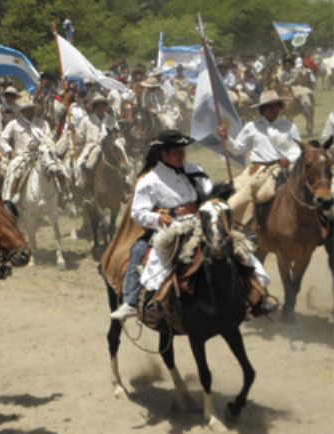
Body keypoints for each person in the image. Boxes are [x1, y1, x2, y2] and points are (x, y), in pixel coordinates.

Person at [110, 130, 272, 321]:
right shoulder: (149, 181)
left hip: (202, 220)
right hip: (171, 229)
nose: (182, 155)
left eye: (183, 151)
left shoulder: (195, 171)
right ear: (164, 154)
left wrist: (217, 198)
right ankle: (147, 301)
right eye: (176, 152)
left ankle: (256, 295)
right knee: (157, 257)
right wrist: (162, 216)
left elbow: (209, 195)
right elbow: (138, 213)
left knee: (237, 246)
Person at [218, 90, 301, 227]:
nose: (274, 109)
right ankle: (246, 225)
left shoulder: (289, 126)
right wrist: (226, 138)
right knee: (237, 194)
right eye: (269, 106)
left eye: (276, 105)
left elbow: (297, 150)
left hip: (282, 168)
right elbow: (238, 148)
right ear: (262, 109)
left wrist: (289, 159)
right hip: (257, 171)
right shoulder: (251, 127)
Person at [74, 93, 115, 189]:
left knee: (123, 161)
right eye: (98, 107)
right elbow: (80, 138)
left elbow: (115, 134)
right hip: (90, 147)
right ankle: (84, 188)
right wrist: (74, 132)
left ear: (105, 107)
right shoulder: (86, 120)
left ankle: (125, 184)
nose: (100, 109)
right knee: (79, 165)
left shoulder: (111, 120)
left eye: (102, 107)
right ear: (94, 108)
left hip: (108, 147)